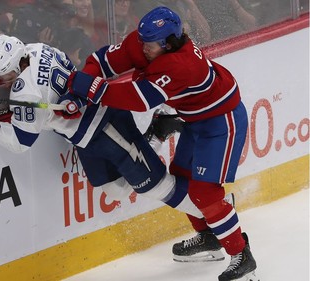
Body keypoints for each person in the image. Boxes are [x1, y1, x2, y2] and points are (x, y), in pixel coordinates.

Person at [65, 6, 259, 281]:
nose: (143, 48)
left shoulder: (180, 65)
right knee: (181, 178)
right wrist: (86, 81)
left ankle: (241, 255)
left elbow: (137, 99)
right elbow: (101, 60)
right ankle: (208, 236)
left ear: (169, 43)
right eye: (142, 40)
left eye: (151, 44)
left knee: (204, 191)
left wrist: (89, 88)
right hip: (196, 119)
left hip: (221, 121)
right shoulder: (144, 42)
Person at [0, 35, 216, 232]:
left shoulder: (25, 91)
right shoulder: (37, 48)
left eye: (4, 74)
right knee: (114, 191)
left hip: (107, 128)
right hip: (87, 136)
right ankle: (158, 132)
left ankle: (216, 218)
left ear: (17, 62)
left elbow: (21, 143)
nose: (1, 82)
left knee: (157, 187)